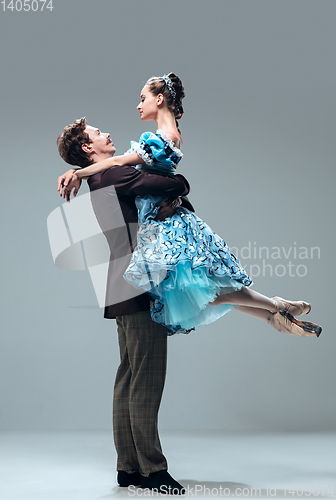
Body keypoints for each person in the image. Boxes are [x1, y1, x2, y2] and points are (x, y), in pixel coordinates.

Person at [59, 73, 322, 339]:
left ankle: (275, 308)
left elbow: (136, 170)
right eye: (98, 133)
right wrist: (80, 171)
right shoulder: (146, 147)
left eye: (143, 99)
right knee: (203, 290)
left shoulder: (159, 139)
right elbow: (150, 177)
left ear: (160, 99)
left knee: (205, 288)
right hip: (157, 222)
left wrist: (78, 172)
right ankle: (274, 313)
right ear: (87, 146)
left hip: (165, 224)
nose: (138, 105)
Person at [56, 118, 191, 494]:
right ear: (88, 148)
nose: (107, 134)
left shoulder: (100, 178)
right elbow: (175, 182)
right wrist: (176, 191)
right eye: (98, 133)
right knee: (145, 378)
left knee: (129, 375)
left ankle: (128, 468)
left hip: (119, 285)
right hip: (139, 285)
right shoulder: (115, 175)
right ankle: (153, 470)